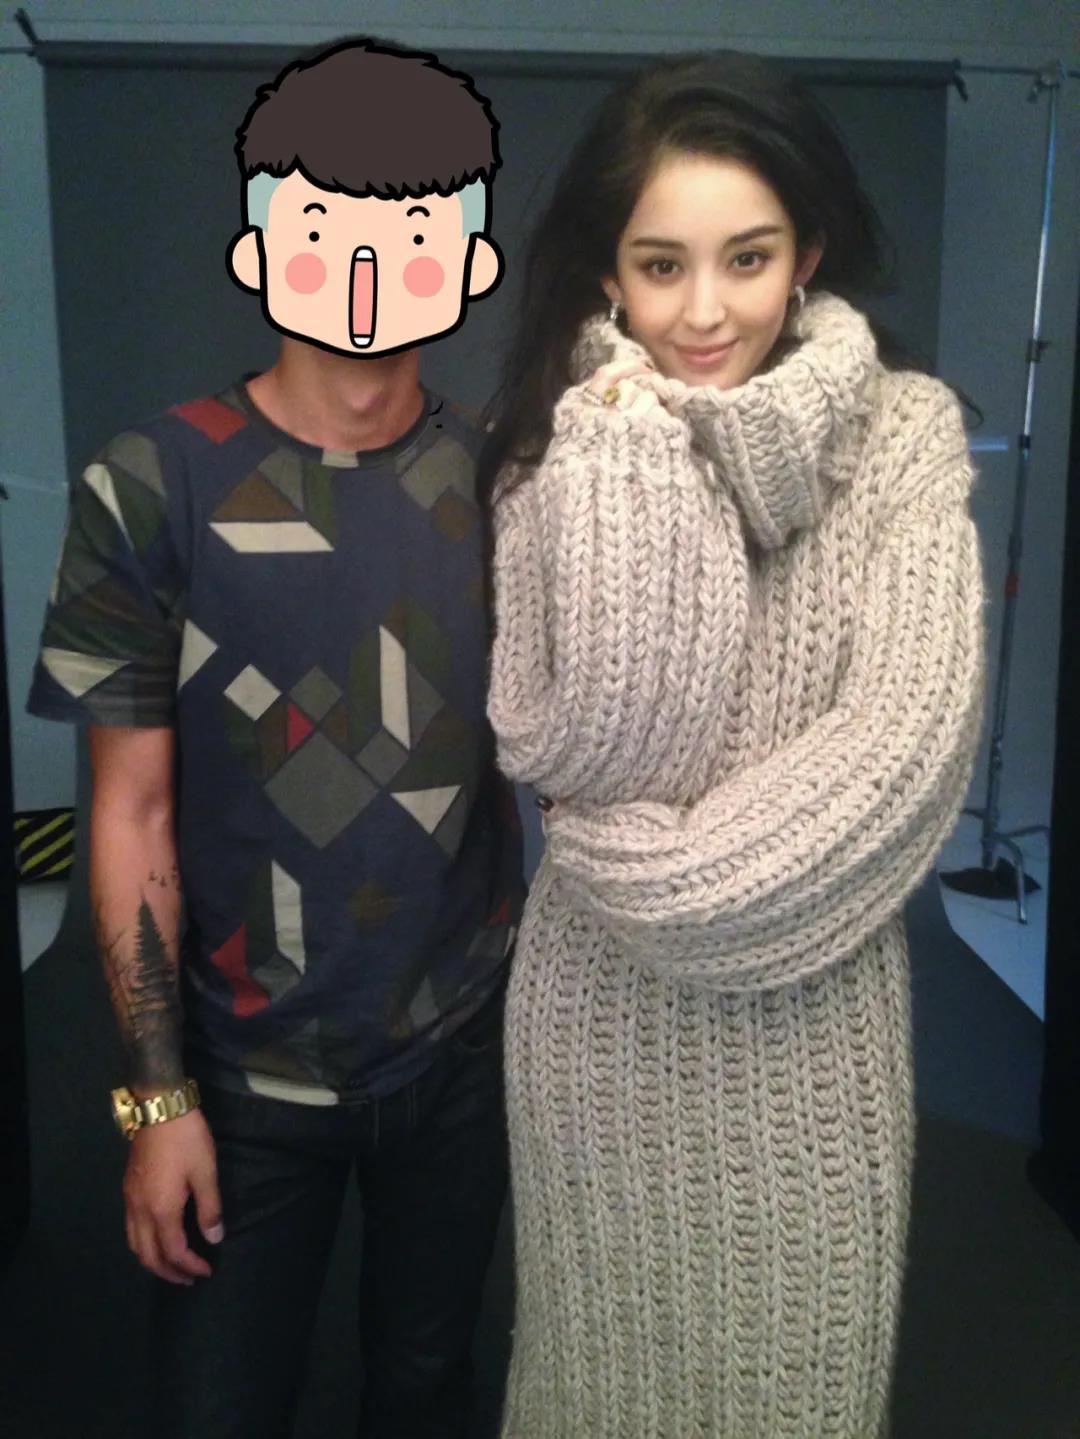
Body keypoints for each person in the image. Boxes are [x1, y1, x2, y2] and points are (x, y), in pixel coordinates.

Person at [482, 51, 985, 1439]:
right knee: (593, 1382)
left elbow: (901, 761)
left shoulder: (905, 436)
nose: (704, 312)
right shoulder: (556, 454)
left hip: (808, 1038)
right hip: (596, 1030)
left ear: (806, 254)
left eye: (747, 258)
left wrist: (646, 873)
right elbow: (573, 746)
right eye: (662, 266)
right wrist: (630, 459)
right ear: (609, 274)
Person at [28, 38, 523, 1439]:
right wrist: (150, 1107)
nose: (366, 275)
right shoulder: (152, 482)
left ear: (469, 260)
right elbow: (125, 816)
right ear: (260, 251)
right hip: (238, 1077)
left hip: (459, 1052)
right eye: (325, 236)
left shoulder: (508, 478)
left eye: (410, 240)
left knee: (428, 1388)